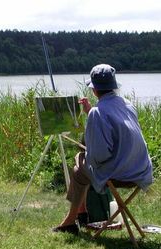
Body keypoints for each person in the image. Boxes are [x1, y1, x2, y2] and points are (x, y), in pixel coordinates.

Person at [53, 64, 153, 235]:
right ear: (114, 86)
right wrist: (91, 113)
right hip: (140, 171)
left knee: (78, 164)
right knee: (81, 163)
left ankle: (74, 218)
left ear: (94, 90)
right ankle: (79, 215)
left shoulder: (98, 113)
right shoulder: (127, 104)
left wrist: (88, 150)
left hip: (119, 174)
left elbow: (99, 156)